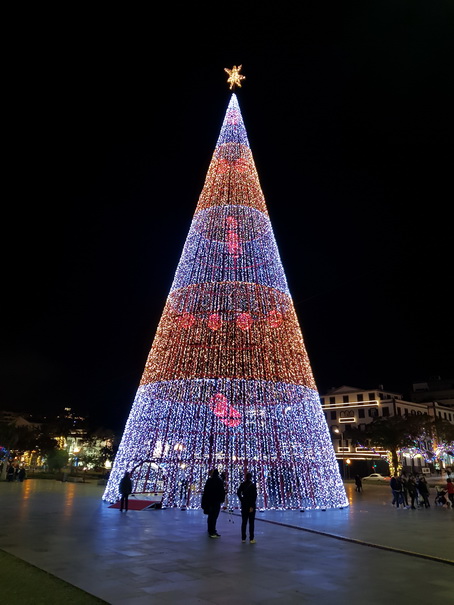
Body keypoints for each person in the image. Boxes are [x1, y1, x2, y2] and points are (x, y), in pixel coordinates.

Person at [201, 469, 225, 538]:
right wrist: (222, 499)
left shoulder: (209, 481)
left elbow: (206, 491)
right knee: (214, 516)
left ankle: (210, 530)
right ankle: (213, 531)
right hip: (216, 501)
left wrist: (205, 501)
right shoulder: (219, 481)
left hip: (210, 501)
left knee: (210, 516)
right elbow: (222, 491)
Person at [237, 472, 257, 543]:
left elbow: (238, 492)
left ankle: (243, 538)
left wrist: (241, 499)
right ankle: (251, 538)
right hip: (251, 505)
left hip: (244, 505)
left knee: (244, 522)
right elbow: (254, 496)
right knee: (251, 523)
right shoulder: (253, 485)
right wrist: (252, 506)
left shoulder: (242, 484)